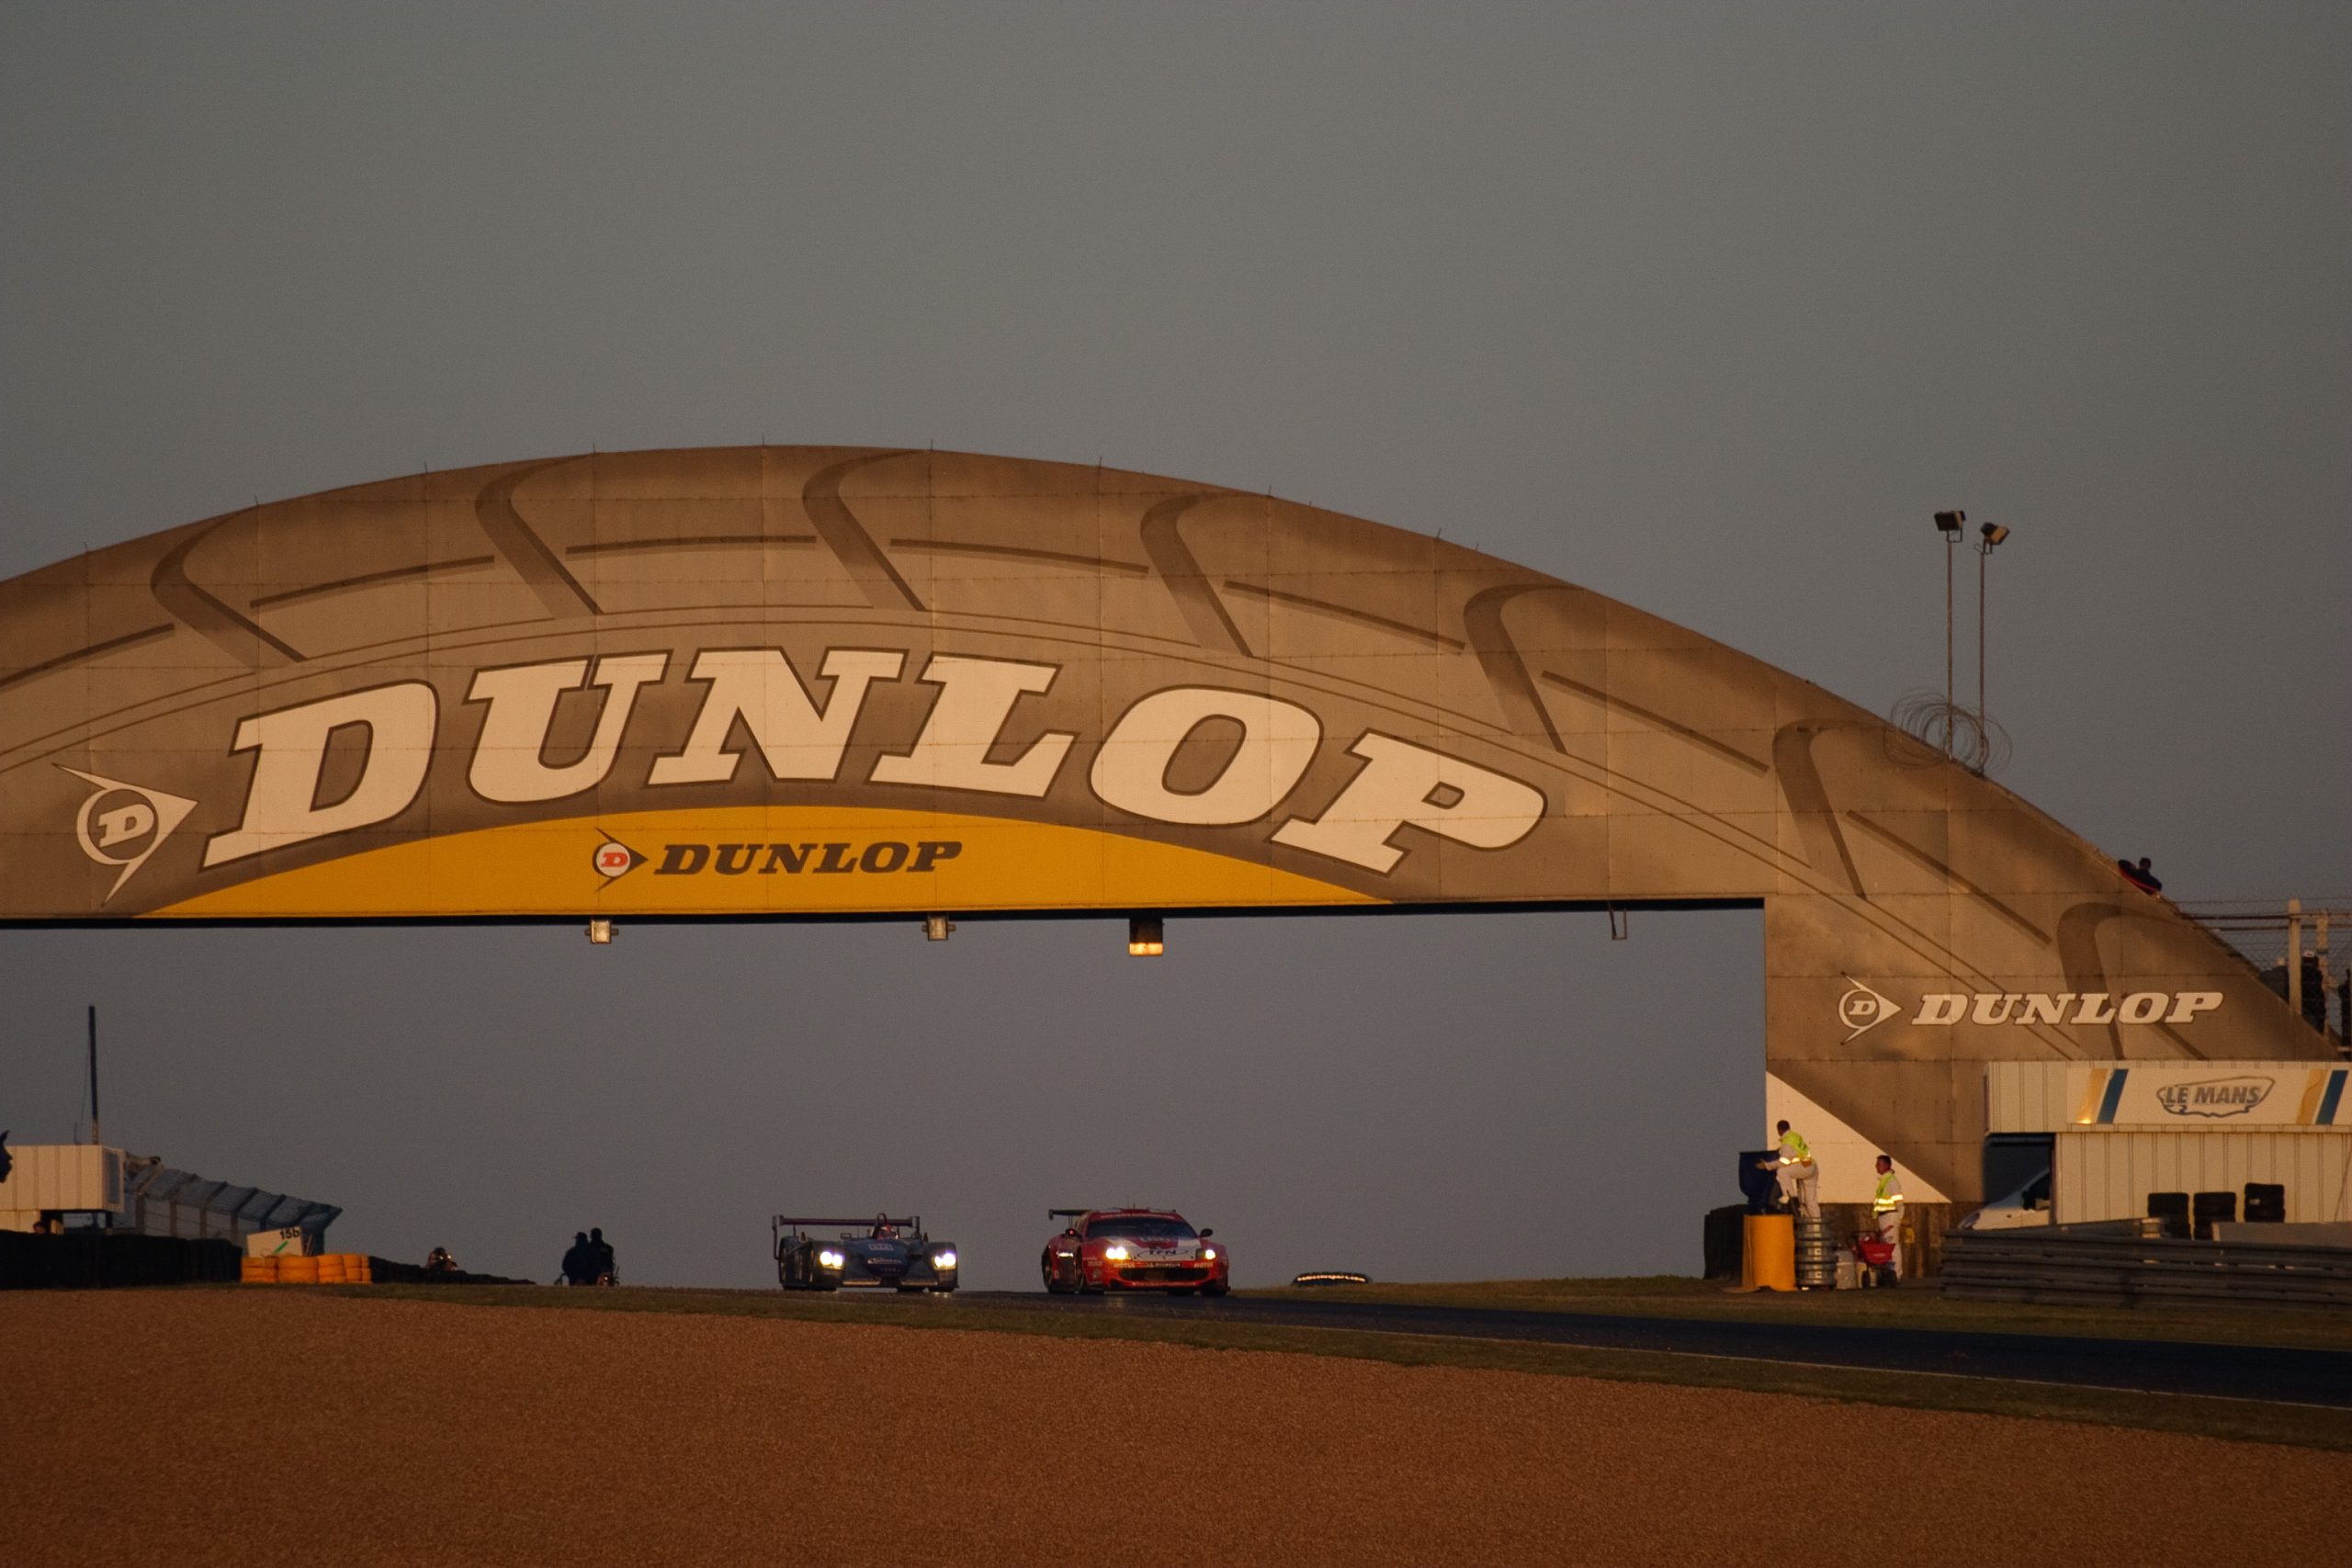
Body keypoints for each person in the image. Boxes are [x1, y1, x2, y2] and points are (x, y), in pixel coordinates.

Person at [1770, 1120, 1818, 1217]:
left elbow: (1784, 1162)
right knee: (1811, 1201)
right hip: (1811, 1166)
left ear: (1779, 1130)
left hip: (1804, 1167)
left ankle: (1791, 1198)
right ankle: (1817, 1227)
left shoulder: (1787, 1142)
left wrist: (1768, 1165)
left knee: (1782, 1171)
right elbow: (1797, 1153)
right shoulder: (1795, 1136)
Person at [1871, 1155, 1905, 1280]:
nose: (1876, 1167)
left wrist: (1897, 1219)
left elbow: (1899, 1202)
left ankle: (1896, 1274)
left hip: (1890, 1217)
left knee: (1893, 1246)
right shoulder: (1884, 1181)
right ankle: (1891, 1273)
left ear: (1886, 1166)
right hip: (1884, 1217)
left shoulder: (1891, 1181)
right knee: (1887, 1246)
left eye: (1879, 1164)